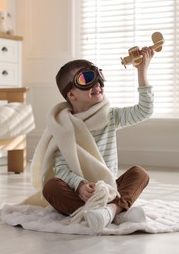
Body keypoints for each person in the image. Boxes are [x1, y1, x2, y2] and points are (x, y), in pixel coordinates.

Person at [30, 47, 154, 234]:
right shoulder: (63, 125)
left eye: (99, 77)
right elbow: (62, 168)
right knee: (51, 187)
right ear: (71, 94)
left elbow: (144, 111)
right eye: (87, 79)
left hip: (109, 188)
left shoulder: (111, 116)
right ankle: (114, 211)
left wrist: (142, 72)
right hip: (80, 193)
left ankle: (110, 210)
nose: (97, 84)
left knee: (140, 173)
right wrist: (79, 185)